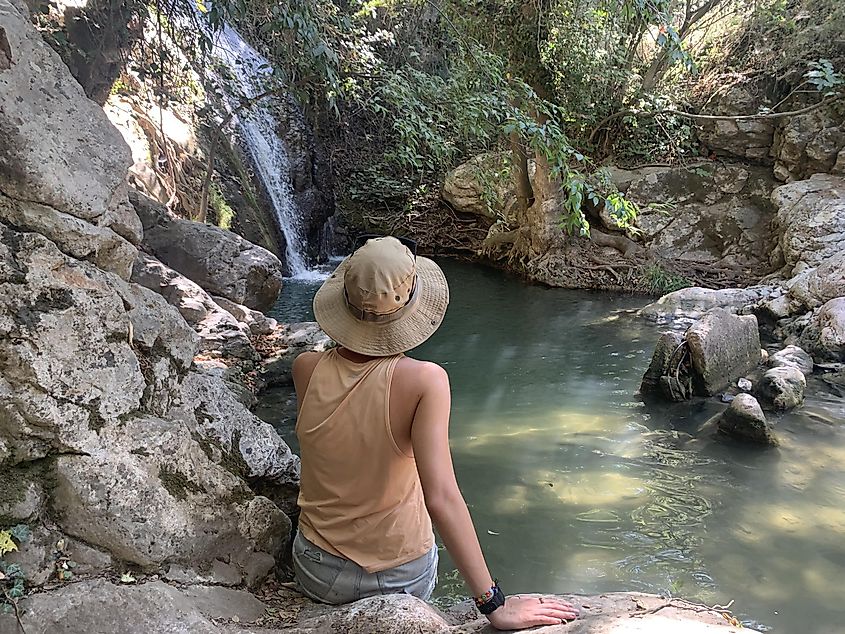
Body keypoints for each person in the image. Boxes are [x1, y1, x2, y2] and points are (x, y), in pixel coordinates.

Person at [291, 236, 579, 629]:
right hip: (396, 577)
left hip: (317, 570)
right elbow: (441, 497)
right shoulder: (425, 381)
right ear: (409, 307)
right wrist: (495, 605)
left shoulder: (305, 367)